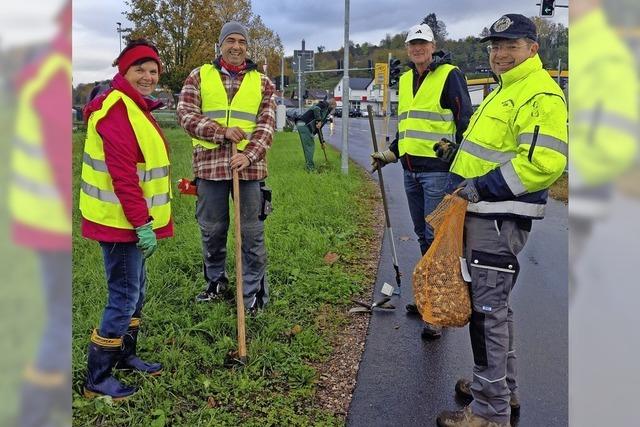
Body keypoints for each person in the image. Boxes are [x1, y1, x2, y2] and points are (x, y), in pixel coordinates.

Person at [434, 15, 567, 427]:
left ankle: (488, 411)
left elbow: (544, 163)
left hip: (497, 217)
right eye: (494, 46)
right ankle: (498, 389)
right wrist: (453, 156)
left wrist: (483, 187)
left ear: (532, 48)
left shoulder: (540, 93)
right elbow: (495, 149)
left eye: (510, 45)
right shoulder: (506, 90)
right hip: (483, 214)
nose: (499, 54)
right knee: (496, 310)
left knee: (486, 313)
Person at [79, 39, 172, 399]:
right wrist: (142, 224)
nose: (148, 77)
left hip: (129, 221)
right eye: (140, 70)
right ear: (124, 71)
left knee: (136, 292)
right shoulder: (118, 110)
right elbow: (123, 177)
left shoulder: (135, 106)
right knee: (123, 295)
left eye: (153, 71)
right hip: (120, 223)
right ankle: (97, 379)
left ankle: (123, 355)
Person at [370, 23, 472, 338]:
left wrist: (457, 155)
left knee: (435, 239)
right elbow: (409, 126)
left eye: (423, 43)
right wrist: (391, 153)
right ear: (408, 47)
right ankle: (426, 298)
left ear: (432, 45)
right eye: (413, 44)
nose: (417, 49)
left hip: (437, 173)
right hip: (410, 171)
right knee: (422, 236)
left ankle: (436, 311)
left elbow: (465, 120)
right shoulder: (405, 78)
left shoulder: (449, 75)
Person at [177, 21, 275, 314]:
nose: (236, 46)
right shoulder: (199, 76)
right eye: (230, 40)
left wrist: (249, 155)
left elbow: (267, 124)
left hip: (249, 169)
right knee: (212, 230)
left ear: (247, 47)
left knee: (251, 233)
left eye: (241, 42)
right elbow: (186, 114)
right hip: (209, 169)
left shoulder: (262, 82)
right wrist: (220, 131)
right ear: (220, 45)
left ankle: (253, 294)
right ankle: (215, 283)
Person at [8, 1, 72, 424]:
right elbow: (56, 159)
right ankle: (35, 405)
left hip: (33, 218)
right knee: (58, 319)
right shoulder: (53, 79)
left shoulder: (37, 76)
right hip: (50, 223)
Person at [295, 98, 336, 170]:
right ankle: (310, 168)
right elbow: (316, 108)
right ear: (331, 105)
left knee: (308, 145)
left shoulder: (325, 115)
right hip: (303, 124)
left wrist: (322, 142)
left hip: (305, 125)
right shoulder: (324, 104)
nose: (333, 111)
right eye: (333, 108)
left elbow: (319, 129)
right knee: (309, 145)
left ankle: (309, 165)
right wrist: (319, 120)